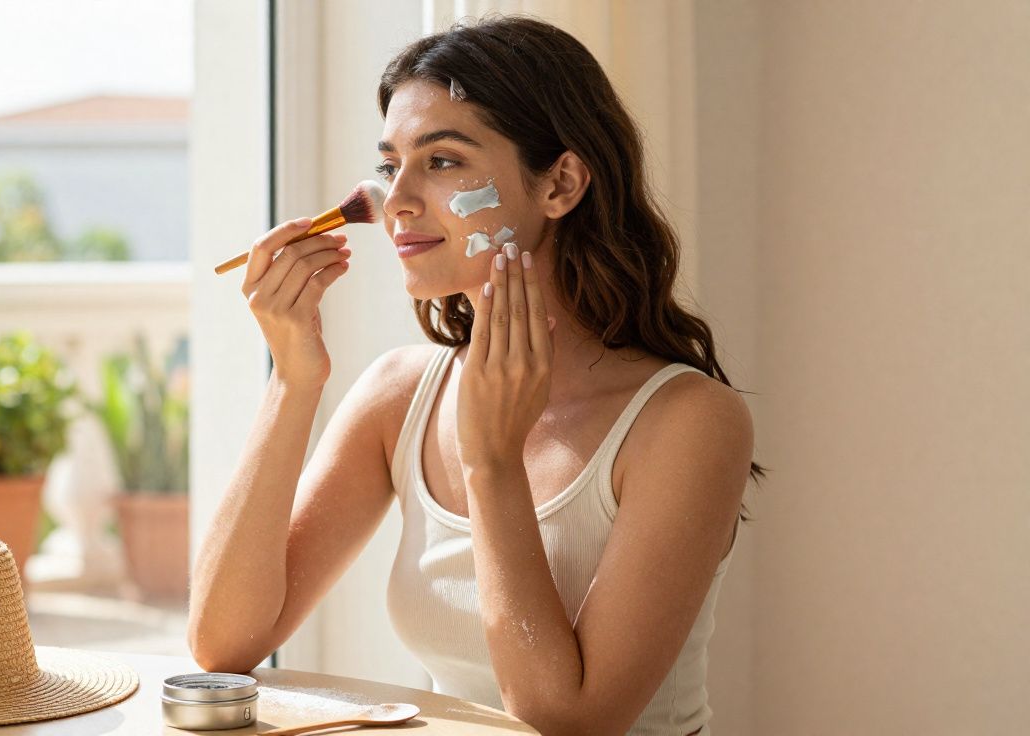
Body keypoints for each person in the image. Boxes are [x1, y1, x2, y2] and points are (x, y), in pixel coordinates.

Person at [190, 15, 765, 736]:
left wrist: (492, 461)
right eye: (390, 165)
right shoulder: (400, 396)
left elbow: (570, 723)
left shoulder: (688, 422)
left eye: (441, 161)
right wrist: (292, 381)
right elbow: (223, 644)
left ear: (560, 183)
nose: (396, 200)